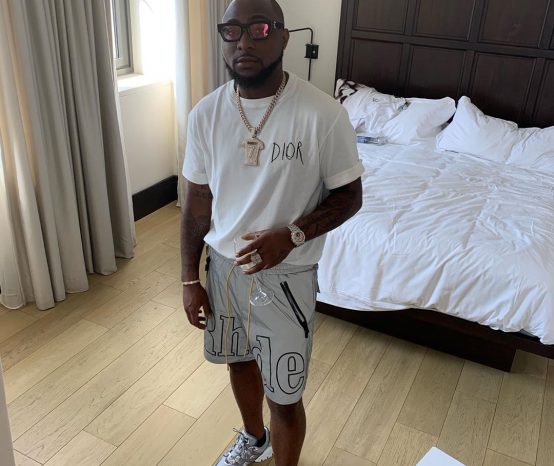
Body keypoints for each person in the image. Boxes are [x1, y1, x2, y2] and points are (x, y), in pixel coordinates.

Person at [180, 0, 363, 464]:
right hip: (223, 270)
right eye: (231, 30)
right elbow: (197, 202)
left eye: (259, 29)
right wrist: (188, 279)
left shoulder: (323, 114)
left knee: (284, 392)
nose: (244, 41)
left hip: (287, 277)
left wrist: (293, 235)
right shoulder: (205, 114)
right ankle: (253, 438)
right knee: (239, 361)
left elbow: (349, 197)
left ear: (283, 37)